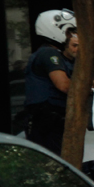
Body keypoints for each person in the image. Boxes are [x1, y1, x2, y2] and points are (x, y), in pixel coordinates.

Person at [23, 9, 79, 154]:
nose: (71, 36)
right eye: (69, 31)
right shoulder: (49, 54)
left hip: (49, 122)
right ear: (56, 29)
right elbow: (64, 85)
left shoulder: (51, 53)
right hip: (48, 123)